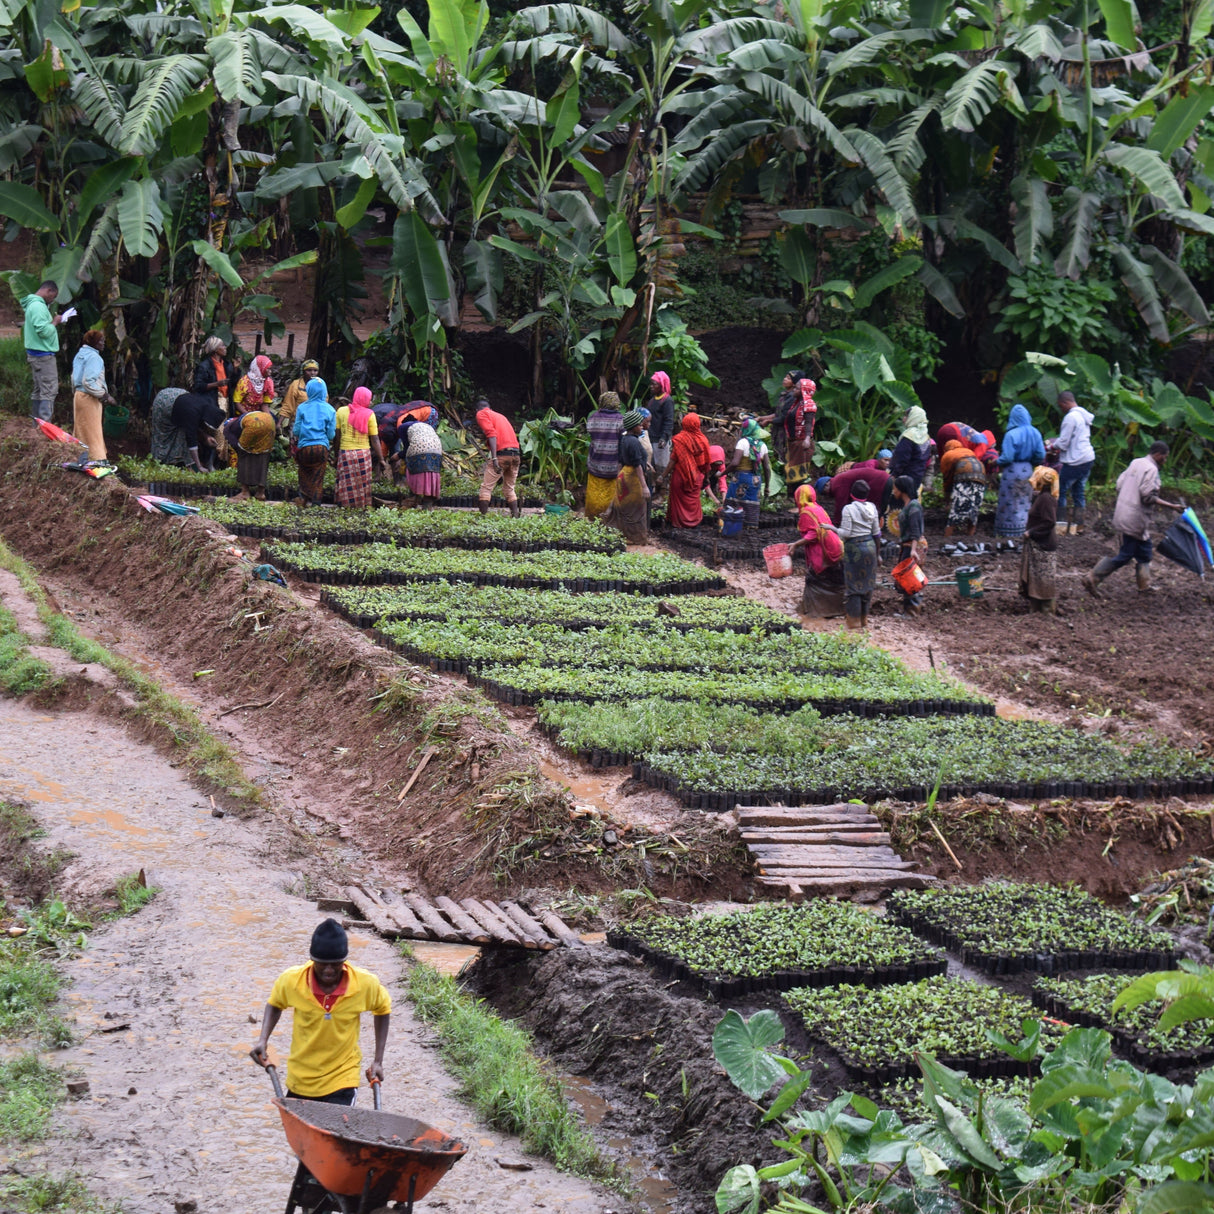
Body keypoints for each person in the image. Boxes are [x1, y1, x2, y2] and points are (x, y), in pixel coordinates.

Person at [252, 918, 390, 1105]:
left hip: (342, 1077)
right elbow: (275, 1004)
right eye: (322, 964)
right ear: (312, 960)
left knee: (337, 1124)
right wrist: (263, 1039)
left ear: (344, 960)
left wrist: (378, 1061)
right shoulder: (292, 981)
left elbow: (382, 1010)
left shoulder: (365, 984)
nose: (329, 970)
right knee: (299, 1125)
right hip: (301, 1078)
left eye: (335, 964)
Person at [1083, 441, 1185, 596]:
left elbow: (1119, 484)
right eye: (1165, 457)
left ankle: (1144, 586)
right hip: (1135, 518)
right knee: (1125, 554)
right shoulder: (1151, 469)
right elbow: (1148, 496)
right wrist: (1172, 506)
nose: (1165, 461)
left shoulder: (1136, 462)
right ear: (1158, 455)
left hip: (1124, 512)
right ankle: (1093, 577)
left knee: (1145, 551)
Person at [787, 483, 845, 617]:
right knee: (834, 580)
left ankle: (816, 611)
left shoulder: (806, 512)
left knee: (815, 579)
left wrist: (796, 544)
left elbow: (814, 534)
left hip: (821, 551)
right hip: (834, 545)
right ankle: (837, 609)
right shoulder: (818, 508)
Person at [995, 404, 1046, 539]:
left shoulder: (1011, 434)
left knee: (1009, 501)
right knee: (1025, 501)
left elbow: (1007, 457)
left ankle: (1007, 533)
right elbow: (1041, 454)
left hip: (1012, 471)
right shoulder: (1035, 432)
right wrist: (1032, 463)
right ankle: (1024, 530)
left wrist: (996, 461)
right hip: (1028, 471)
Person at [600, 409, 650, 543]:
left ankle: (626, 535)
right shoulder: (633, 442)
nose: (642, 426)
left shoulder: (625, 439)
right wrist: (644, 486)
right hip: (633, 478)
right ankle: (635, 537)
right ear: (633, 427)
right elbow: (637, 464)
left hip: (624, 475)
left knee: (627, 508)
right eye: (639, 425)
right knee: (635, 509)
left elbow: (624, 460)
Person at [837, 478, 881, 630]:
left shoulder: (848, 509)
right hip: (870, 547)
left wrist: (832, 529)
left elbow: (846, 533)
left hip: (854, 549)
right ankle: (864, 620)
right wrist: (878, 554)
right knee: (868, 584)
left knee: (853, 586)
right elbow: (877, 533)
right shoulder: (872, 508)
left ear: (851, 494)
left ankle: (853, 622)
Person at [333, 386, 386, 508]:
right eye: (370, 399)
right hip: (363, 454)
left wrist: (336, 455)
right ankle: (361, 505)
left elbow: (337, 437)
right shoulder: (370, 414)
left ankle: (345, 506)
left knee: (346, 482)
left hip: (345, 453)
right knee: (362, 483)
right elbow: (375, 439)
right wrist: (381, 459)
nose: (371, 402)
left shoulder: (341, 411)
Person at [1054, 390, 1096, 535]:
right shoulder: (1084, 415)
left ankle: (1060, 526)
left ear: (1065, 403)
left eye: (1061, 406)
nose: (1061, 409)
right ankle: (1079, 525)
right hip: (1088, 458)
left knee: (1061, 491)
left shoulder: (1070, 417)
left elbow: (1063, 443)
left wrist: (1051, 446)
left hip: (1075, 460)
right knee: (1078, 492)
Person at [1020, 465, 1059, 613]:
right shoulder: (1043, 497)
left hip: (1043, 544)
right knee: (1037, 578)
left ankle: (1046, 611)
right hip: (1040, 543)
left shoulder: (1045, 499)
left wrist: (1031, 532)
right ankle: (1037, 609)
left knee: (1043, 580)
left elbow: (1049, 522)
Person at [21, 280, 62, 422]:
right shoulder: (38, 307)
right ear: (48, 291)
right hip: (43, 356)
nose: (53, 300)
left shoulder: (32, 304)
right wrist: (55, 322)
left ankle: (36, 424)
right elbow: (43, 331)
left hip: (36, 355)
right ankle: (45, 425)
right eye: (53, 296)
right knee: (49, 390)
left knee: (39, 390)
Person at [292, 378, 336, 506]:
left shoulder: (302, 407)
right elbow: (331, 434)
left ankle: (303, 498)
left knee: (304, 472)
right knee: (318, 475)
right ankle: (316, 503)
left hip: (305, 448)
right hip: (321, 448)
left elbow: (296, 430)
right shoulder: (330, 410)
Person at [71, 330, 113, 460]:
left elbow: (73, 377)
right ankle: (97, 460)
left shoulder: (80, 354)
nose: (103, 343)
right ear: (93, 342)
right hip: (89, 399)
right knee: (93, 434)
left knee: (81, 431)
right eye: (101, 341)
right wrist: (105, 395)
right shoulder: (95, 358)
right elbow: (88, 382)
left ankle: (79, 458)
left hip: (78, 396)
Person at [474, 400, 521, 516]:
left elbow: (491, 434)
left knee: (486, 488)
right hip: (515, 455)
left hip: (502, 455)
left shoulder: (481, 414)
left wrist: (494, 459)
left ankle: (482, 517)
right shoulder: (500, 416)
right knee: (509, 488)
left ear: (477, 410)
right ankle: (515, 516)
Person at [667, 412, 713, 529]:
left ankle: (678, 523)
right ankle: (694, 523)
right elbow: (706, 462)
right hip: (696, 477)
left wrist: (663, 475)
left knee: (678, 501)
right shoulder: (703, 440)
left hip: (680, 476)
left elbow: (673, 459)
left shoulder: (679, 439)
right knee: (693, 502)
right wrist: (706, 478)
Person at [224, 405, 277, 501]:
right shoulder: (244, 418)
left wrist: (242, 452)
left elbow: (237, 446)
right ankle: (261, 492)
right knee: (264, 454)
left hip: (253, 425)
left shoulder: (228, 428)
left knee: (244, 456)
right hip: (270, 421)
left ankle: (245, 492)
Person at [892, 474, 927, 616]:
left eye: (895, 488)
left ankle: (912, 611)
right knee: (907, 577)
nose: (894, 491)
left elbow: (915, 530)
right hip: (908, 544)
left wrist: (913, 549)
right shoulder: (909, 505)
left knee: (910, 577)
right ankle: (910, 609)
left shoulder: (913, 506)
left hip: (913, 546)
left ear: (902, 489)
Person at [586, 391, 624, 519]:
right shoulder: (621, 420)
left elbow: (590, 433)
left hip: (595, 462)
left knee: (594, 492)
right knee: (610, 493)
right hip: (613, 465)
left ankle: (591, 518)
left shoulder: (593, 418)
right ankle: (607, 519)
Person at [728, 417, 772, 524]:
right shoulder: (762, 445)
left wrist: (723, 473)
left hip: (740, 478)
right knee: (751, 506)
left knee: (733, 505)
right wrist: (767, 486)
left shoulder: (742, 442)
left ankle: (732, 526)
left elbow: (735, 463)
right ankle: (750, 527)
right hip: (755, 480)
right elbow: (767, 468)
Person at [939, 439, 988, 536]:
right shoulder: (968, 451)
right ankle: (970, 534)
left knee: (957, 507)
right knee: (974, 507)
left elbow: (947, 478)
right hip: (981, 474)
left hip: (964, 473)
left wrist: (947, 499)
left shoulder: (947, 455)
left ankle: (947, 535)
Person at [397, 407, 443, 509]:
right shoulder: (426, 426)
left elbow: (406, 449)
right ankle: (427, 505)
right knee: (430, 473)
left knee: (413, 471)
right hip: (437, 450)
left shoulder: (403, 427)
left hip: (419, 450)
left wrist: (397, 456)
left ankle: (413, 496)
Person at [170, 391, 225, 472]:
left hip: (183, 398)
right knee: (175, 436)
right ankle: (169, 463)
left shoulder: (208, 404)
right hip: (170, 403)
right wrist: (199, 466)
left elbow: (196, 426)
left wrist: (206, 437)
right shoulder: (193, 413)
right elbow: (191, 440)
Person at [827, 463, 892, 529]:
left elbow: (841, 504)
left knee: (872, 509)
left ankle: (873, 529)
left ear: (827, 484)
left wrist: (837, 523)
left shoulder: (837, 484)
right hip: (885, 478)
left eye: (824, 492)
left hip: (879, 481)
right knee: (880, 508)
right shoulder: (839, 479)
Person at [889, 406, 932, 493]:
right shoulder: (926, 437)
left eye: (906, 416)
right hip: (917, 478)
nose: (903, 419)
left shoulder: (909, 436)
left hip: (903, 479)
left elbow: (902, 459)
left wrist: (894, 475)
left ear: (913, 418)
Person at [192, 337, 236, 415]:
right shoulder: (204, 366)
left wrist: (235, 368)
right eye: (222, 345)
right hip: (212, 402)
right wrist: (216, 384)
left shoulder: (227, 364)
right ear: (215, 349)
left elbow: (233, 383)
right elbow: (198, 386)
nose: (225, 347)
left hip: (227, 402)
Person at [149, 387, 190, 465]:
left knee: (166, 435)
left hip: (165, 399)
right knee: (163, 435)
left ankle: (166, 460)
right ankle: (162, 460)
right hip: (166, 404)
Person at [278, 359, 319, 434]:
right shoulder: (296, 385)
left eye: (315, 370)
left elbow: (324, 404)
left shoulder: (320, 385)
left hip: (315, 423)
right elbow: (288, 404)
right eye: (309, 370)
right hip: (297, 422)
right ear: (303, 371)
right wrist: (279, 423)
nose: (312, 373)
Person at [648, 372, 674, 476]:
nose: (651, 386)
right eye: (651, 384)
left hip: (659, 439)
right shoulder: (652, 400)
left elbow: (669, 421)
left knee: (661, 468)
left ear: (662, 385)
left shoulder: (667, 400)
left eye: (654, 384)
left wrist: (664, 437)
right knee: (651, 467)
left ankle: (662, 485)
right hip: (651, 437)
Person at [705, 444, 728, 510]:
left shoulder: (721, 465)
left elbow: (722, 480)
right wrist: (714, 499)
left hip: (712, 477)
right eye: (715, 464)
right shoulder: (704, 464)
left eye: (718, 465)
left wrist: (724, 498)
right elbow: (705, 483)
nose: (716, 466)